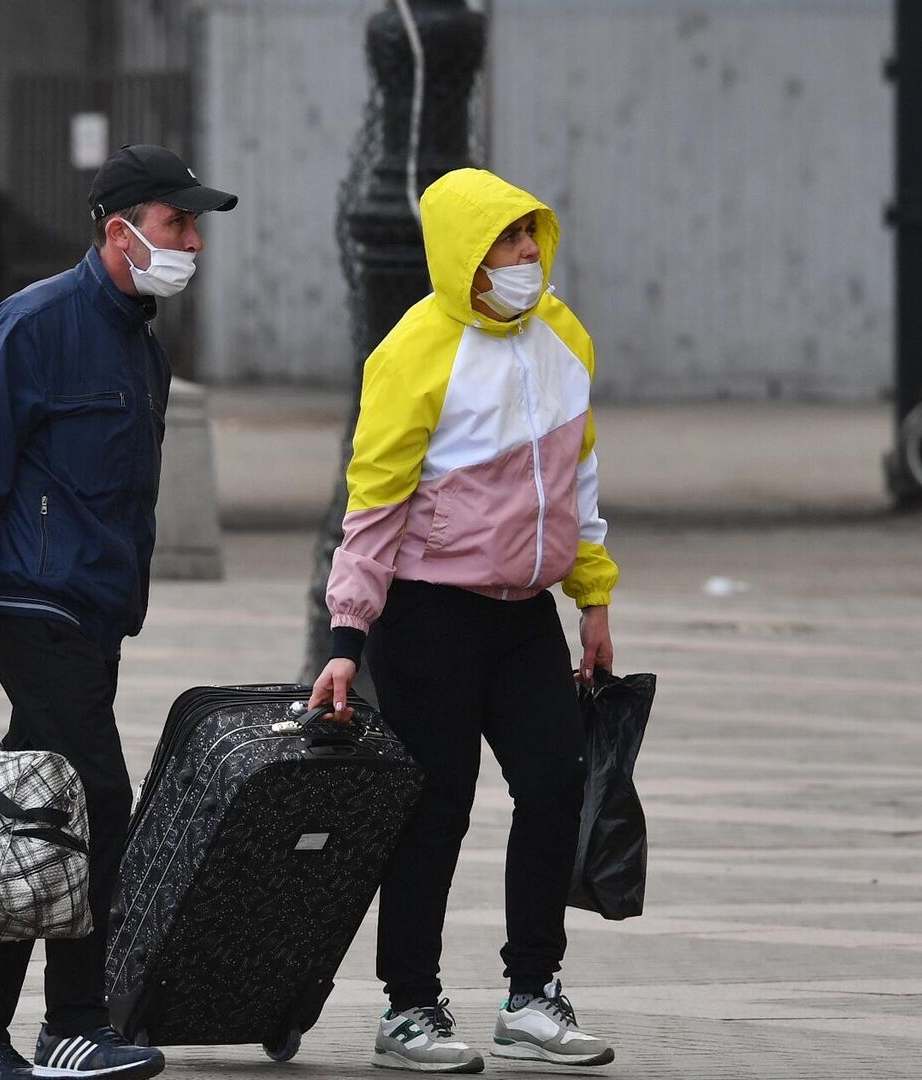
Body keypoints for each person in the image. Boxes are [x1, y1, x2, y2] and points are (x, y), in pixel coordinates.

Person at [0, 144, 237, 1080]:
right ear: (120, 230)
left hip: (95, 614)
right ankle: (71, 1022)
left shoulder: (143, 343)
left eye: (194, 226)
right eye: (178, 224)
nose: (192, 243)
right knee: (96, 795)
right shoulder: (34, 324)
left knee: (40, 809)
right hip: (28, 601)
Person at [308, 168, 620, 1073]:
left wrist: (593, 595)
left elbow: (580, 479)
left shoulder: (563, 335)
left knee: (554, 788)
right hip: (429, 615)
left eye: (530, 238)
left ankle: (531, 995)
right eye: (504, 243)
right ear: (463, 256)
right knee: (435, 810)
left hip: (526, 615)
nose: (524, 256)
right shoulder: (413, 351)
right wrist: (346, 636)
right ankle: (408, 1008)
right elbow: (372, 505)